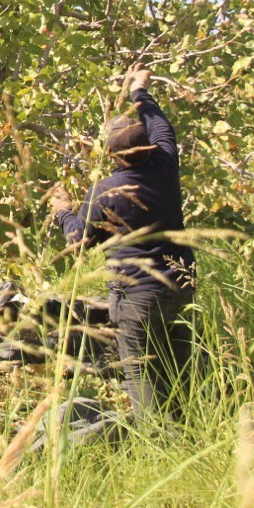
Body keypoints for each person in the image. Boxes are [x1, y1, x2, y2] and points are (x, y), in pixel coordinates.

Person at [50, 63, 195, 423]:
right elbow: (161, 123)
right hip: (181, 283)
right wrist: (138, 91)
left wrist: (62, 212)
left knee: (139, 370)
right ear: (148, 144)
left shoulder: (106, 191)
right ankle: (188, 424)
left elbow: (79, 241)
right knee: (177, 363)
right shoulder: (165, 162)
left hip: (137, 293)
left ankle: (156, 439)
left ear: (112, 156)